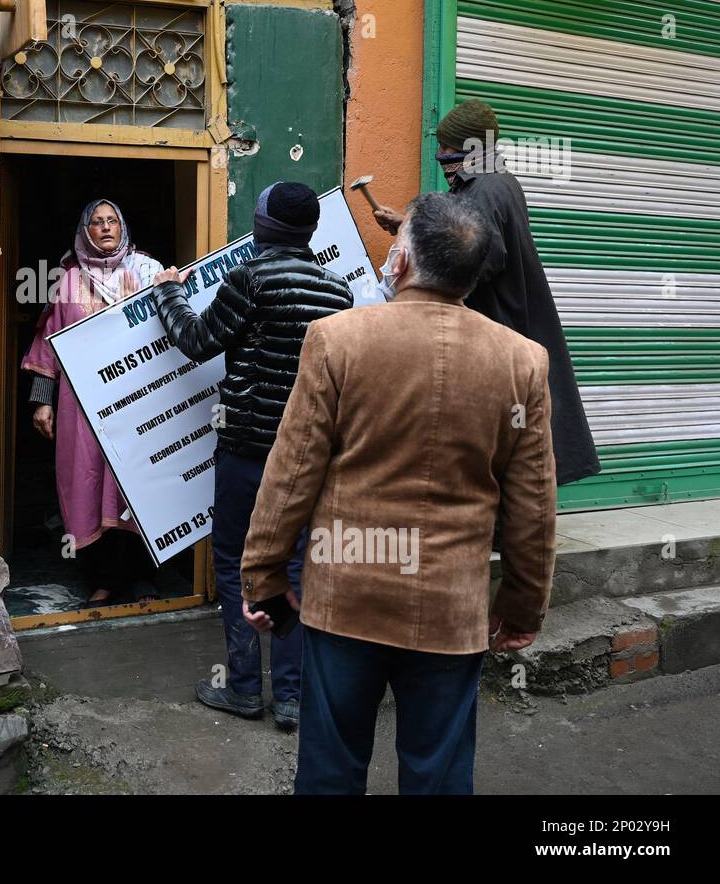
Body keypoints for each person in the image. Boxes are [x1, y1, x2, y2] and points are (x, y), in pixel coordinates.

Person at [242, 193, 558, 794]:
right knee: (437, 776)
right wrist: (522, 607)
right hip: (449, 607)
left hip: (346, 597)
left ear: (405, 260)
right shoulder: (522, 362)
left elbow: (291, 473)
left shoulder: (337, 339)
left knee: (331, 773)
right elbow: (533, 507)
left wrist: (262, 575)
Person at [152, 182, 352, 732]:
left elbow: (197, 340)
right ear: (309, 231)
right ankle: (290, 697)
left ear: (262, 227)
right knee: (292, 565)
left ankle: (243, 688)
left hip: (245, 448)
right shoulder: (338, 293)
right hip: (307, 456)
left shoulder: (251, 278)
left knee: (237, 560)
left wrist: (168, 291)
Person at [371, 98, 599, 486]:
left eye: (447, 148)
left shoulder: (483, 190)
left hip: (496, 329)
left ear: (471, 148)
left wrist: (420, 283)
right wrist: (410, 225)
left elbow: (480, 257)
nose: (441, 156)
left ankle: (495, 525)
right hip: (507, 327)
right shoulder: (498, 181)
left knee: (495, 440)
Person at [21, 199, 164, 608]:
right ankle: (103, 581)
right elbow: (47, 343)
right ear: (86, 230)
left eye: (112, 221)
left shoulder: (144, 271)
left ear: (123, 228)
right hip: (81, 406)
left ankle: (140, 580)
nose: (105, 228)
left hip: (136, 399)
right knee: (85, 485)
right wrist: (42, 402)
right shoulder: (68, 281)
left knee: (134, 487)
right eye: (97, 222)